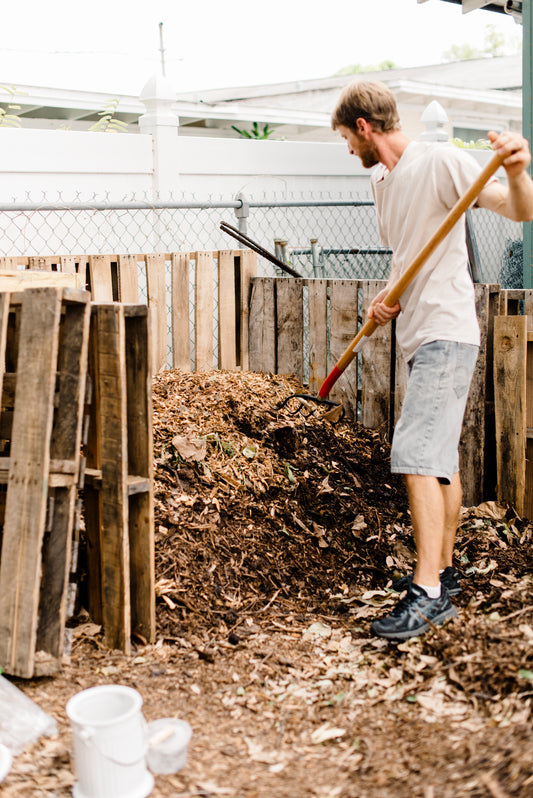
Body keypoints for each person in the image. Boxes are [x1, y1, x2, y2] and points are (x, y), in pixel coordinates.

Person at [331, 80, 533, 641]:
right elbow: (408, 252)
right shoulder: (382, 181)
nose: (349, 149)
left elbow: (523, 210)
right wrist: (387, 294)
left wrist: (517, 169)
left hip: (447, 328)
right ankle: (444, 572)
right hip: (418, 331)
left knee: (416, 453)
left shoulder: (440, 159)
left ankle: (426, 594)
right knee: (439, 460)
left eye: (348, 137)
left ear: (364, 128)